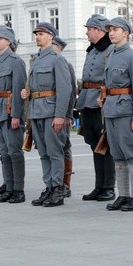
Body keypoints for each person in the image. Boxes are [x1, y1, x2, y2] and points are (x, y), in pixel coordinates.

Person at [20, 22, 72, 207]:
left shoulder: (57, 59)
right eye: (36, 34)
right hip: (36, 111)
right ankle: (49, 186)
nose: (38, 37)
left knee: (55, 152)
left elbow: (65, 90)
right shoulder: (36, 59)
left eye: (41, 34)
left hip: (51, 112)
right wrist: (28, 93)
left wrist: (60, 115)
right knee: (43, 152)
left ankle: (58, 188)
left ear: (51, 36)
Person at [100, 17, 133, 212]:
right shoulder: (111, 55)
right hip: (111, 109)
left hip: (126, 110)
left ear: (125, 33)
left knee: (131, 154)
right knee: (117, 155)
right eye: (110, 29)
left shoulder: (132, 57)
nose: (111, 33)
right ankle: (123, 195)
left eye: (115, 29)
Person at [75, 14, 116, 202]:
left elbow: (110, 77)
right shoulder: (91, 51)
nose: (87, 33)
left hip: (101, 101)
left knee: (105, 145)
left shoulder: (110, 50)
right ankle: (99, 185)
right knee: (94, 145)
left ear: (99, 30)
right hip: (87, 100)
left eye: (89, 29)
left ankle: (108, 186)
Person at [0, 25, 27, 203]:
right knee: (3, 152)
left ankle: (18, 189)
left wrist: (17, 115)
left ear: (8, 41)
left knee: (14, 152)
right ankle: (8, 188)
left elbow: (19, 89)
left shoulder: (16, 61)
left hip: (11, 110)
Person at [52, 36, 77, 198]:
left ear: (59, 48)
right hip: (48, 112)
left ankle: (65, 183)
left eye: (54, 45)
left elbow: (70, 92)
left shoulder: (65, 64)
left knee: (64, 147)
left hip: (62, 114)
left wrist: (67, 114)